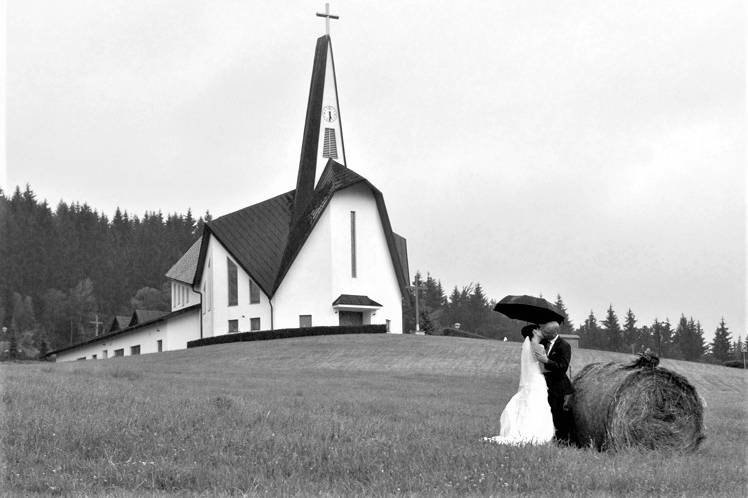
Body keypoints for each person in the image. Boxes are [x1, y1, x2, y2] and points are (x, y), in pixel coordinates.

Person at [483, 325, 555, 445]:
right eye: (538, 329)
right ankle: (535, 432)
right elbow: (544, 367)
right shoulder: (539, 347)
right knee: (537, 404)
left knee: (528, 402)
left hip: (529, 380)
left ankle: (522, 428)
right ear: (534, 332)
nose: (541, 331)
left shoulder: (525, 346)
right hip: (538, 379)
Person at [533, 321, 574, 443]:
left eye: (547, 332)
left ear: (555, 332)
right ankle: (546, 435)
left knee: (557, 412)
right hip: (543, 383)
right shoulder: (543, 342)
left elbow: (563, 367)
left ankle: (561, 439)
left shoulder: (564, 346)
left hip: (558, 385)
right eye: (543, 331)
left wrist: (547, 361)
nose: (544, 334)